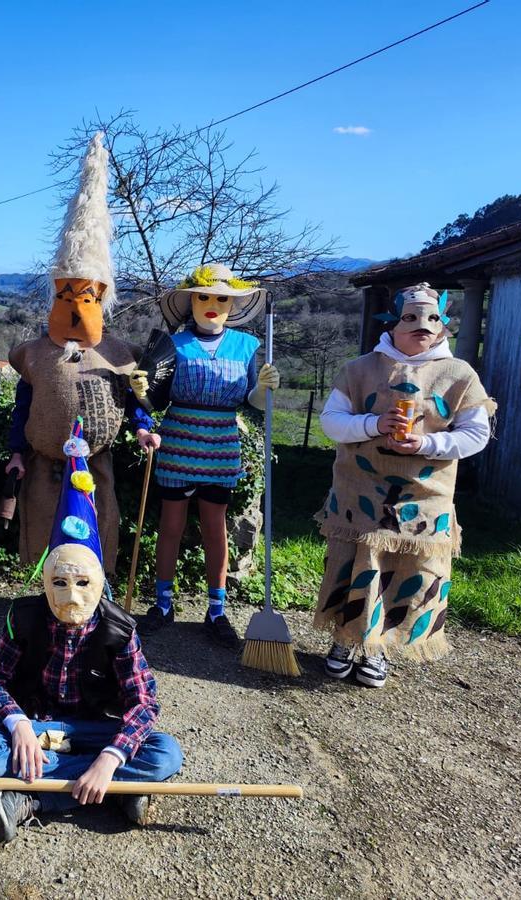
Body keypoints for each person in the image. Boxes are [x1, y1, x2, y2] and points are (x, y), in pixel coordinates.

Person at [0, 418, 184, 846]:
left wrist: (110, 755)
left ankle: (34, 798)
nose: (71, 596)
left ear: (99, 584)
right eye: (59, 583)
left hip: (94, 728)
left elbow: (144, 701)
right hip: (37, 724)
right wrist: (18, 724)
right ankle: (112, 793)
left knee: (165, 753)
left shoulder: (119, 629)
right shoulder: (24, 617)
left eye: (83, 584)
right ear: (45, 580)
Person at [313, 283, 493, 688]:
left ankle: (379, 646)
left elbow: (475, 435)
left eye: (432, 319)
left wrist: (428, 443)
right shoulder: (359, 369)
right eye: (410, 317)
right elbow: (332, 422)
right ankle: (345, 638)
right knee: (353, 563)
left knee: (406, 570)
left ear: (444, 326)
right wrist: (374, 425)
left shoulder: (459, 375)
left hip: (421, 498)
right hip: (360, 491)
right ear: (392, 323)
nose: (422, 326)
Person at [6, 132, 150, 578]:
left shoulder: (118, 352)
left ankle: (92, 604)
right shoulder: (35, 353)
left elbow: (136, 399)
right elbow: (24, 405)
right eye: (66, 297)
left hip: (94, 469)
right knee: (46, 537)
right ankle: (48, 604)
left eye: (85, 298)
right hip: (44, 468)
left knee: (94, 533)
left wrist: (144, 429)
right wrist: (15, 451)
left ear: (101, 296)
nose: (74, 308)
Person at [130, 263, 280, 647]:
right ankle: (163, 604)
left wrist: (264, 389)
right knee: (171, 526)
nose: (212, 304)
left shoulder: (246, 347)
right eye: (204, 296)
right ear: (191, 301)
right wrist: (142, 393)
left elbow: (253, 402)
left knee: (216, 528)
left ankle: (216, 609)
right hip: (178, 440)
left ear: (233, 304)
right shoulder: (172, 345)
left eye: (221, 298)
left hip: (222, 444)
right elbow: (154, 398)